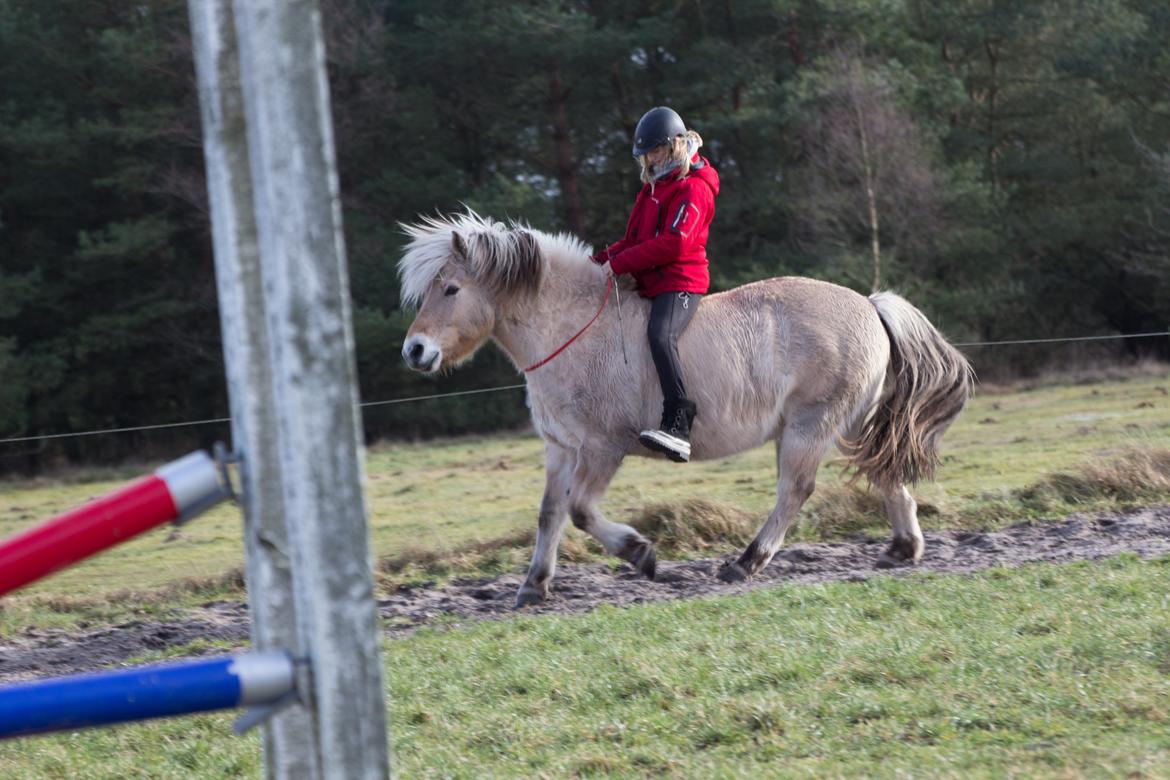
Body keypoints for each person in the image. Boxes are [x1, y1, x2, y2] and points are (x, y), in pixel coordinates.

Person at [592, 106, 720, 463]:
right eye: (647, 153)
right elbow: (633, 240)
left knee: (659, 336)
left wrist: (619, 264)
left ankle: (679, 420)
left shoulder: (695, 188)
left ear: (676, 145)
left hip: (681, 282)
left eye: (656, 150)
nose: (650, 158)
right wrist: (597, 262)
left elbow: (675, 243)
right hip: (653, 281)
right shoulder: (653, 188)